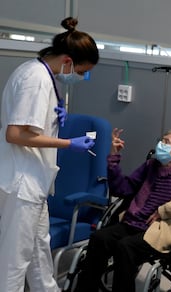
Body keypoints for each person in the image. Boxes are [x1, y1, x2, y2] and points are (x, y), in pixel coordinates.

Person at [0, 17, 99, 292]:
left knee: (38, 250)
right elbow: (15, 134)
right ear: (68, 61)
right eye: (82, 71)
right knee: (14, 261)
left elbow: (30, 124)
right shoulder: (37, 80)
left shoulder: (40, 74)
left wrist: (55, 121)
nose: (81, 77)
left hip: (34, 182)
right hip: (23, 183)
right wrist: (68, 143)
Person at [74, 128, 171, 292]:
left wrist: (164, 211)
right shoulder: (150, 165)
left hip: (158, 228)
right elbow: (123, 189)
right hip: (133, 221)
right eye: (161, 140)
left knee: (125, 247)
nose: (160, 144)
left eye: (166, 142)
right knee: (99, 238)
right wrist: (113, 158)